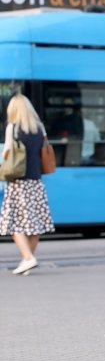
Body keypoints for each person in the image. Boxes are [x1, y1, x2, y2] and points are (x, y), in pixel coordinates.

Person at [0, 95, 56, 275]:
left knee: (14, 223)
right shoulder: (39, 128)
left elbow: (7, 154)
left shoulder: (12, 128)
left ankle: (29, 258)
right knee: (35, 224)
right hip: (36, 181)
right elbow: (44, 150)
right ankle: (27, 261)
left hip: (18, 182)